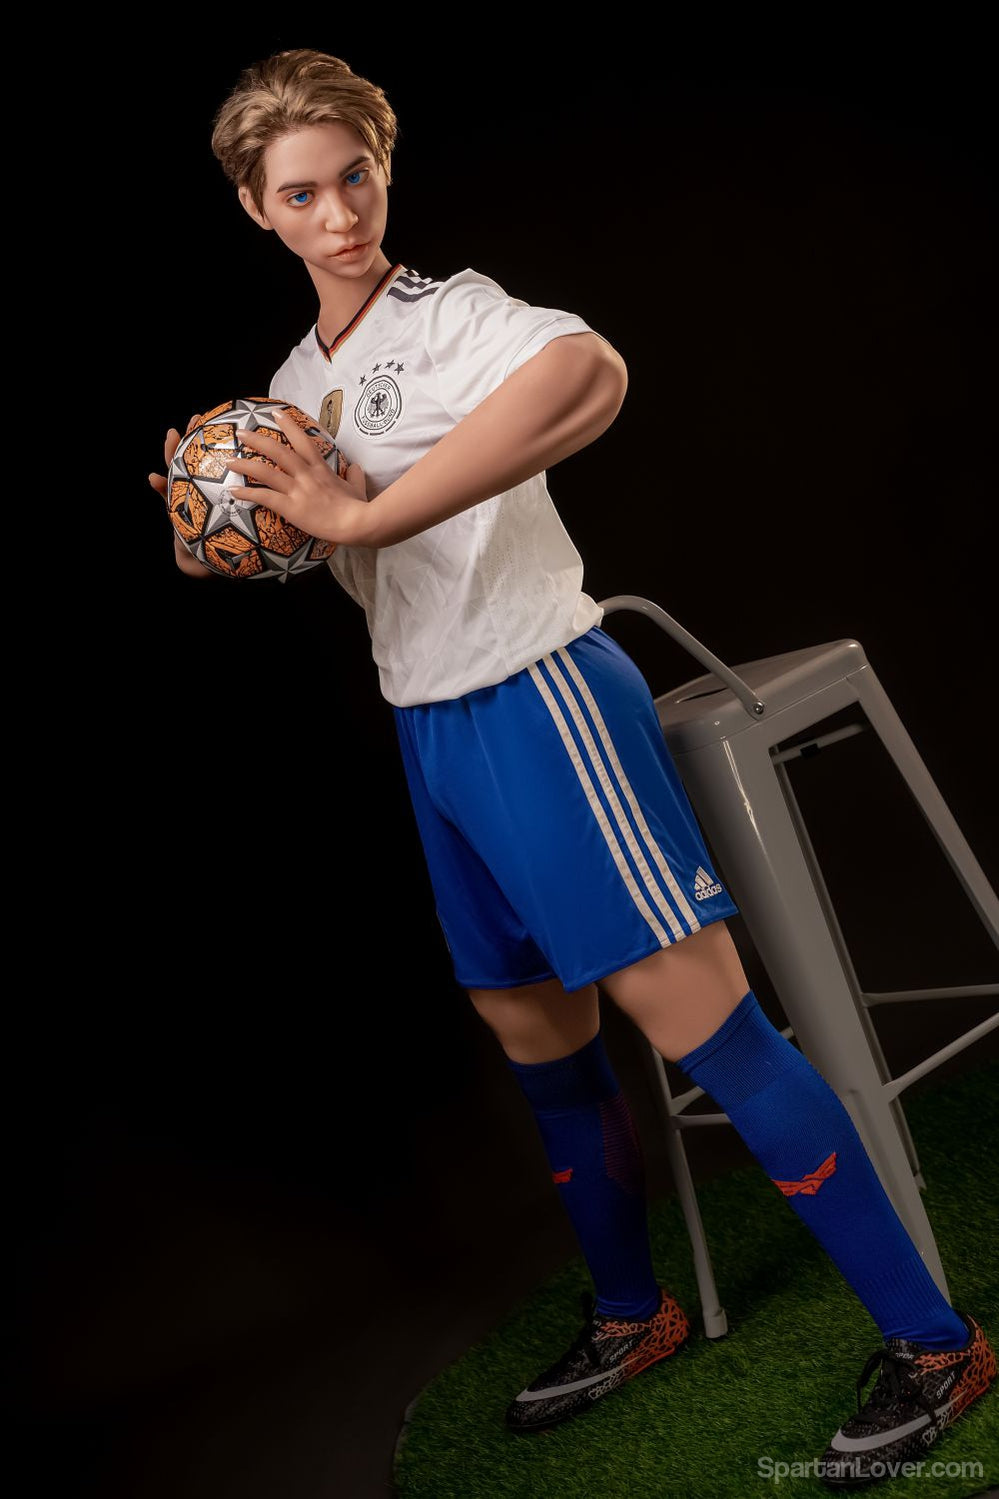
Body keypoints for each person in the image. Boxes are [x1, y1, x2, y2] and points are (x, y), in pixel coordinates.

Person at [147, 48, 995, 1488]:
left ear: (384, 170)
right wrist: (210, 517)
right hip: (433, 729)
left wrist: (367, 516)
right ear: (255, 208)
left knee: (707, 1026)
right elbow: (301, 545)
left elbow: (591, 373)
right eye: (301, 194)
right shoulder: (295, 387)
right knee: (535, 1033)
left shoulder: (453, 317)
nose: (339, 214)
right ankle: (630, 1312)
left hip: (541, 698)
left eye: (357, 175)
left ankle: (938, 1344)